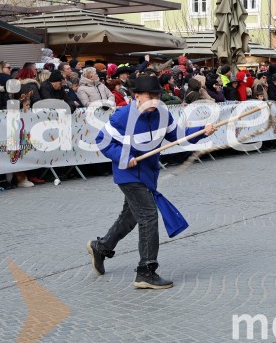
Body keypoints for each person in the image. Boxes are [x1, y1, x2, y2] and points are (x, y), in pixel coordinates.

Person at [86, 74, 216, 289]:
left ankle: (100, 247)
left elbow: (179, 136)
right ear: (137, 96)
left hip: (148, 174)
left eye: (157, 96)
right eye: (149, 97)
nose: (154, 101)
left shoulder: (162, 113)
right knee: (147, 216)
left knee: (130, 218)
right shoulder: (122, 117)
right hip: (128, 174)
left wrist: (202, 132)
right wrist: (124, 157)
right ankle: (146, 271)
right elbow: (103, 141)